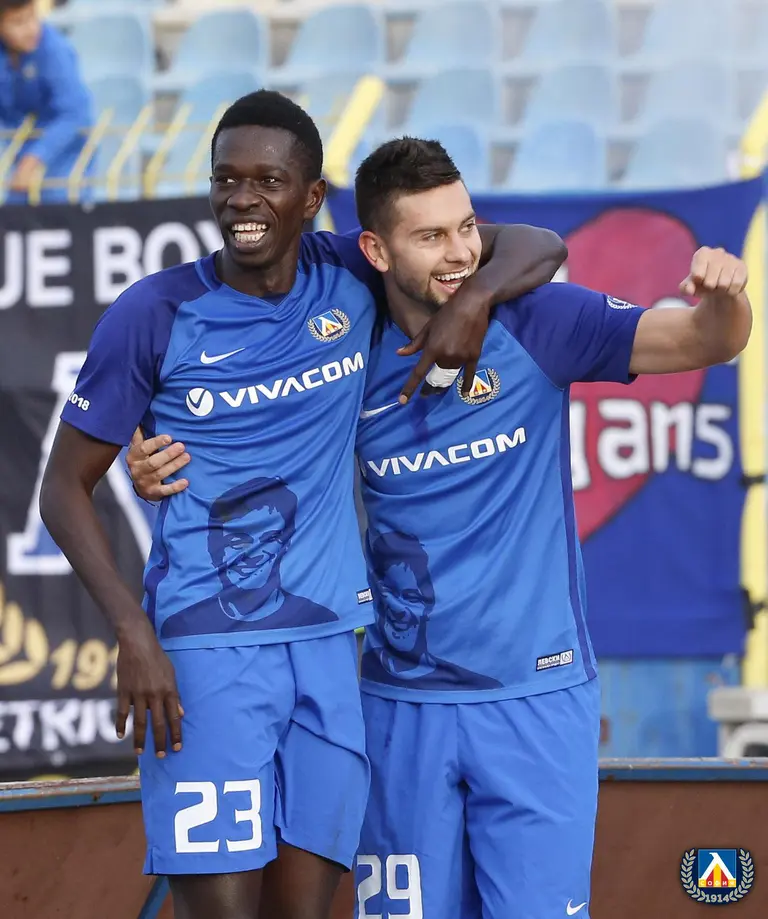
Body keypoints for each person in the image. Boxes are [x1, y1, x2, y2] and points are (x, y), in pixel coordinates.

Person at [130, 138, 752, 919]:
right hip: (398, 708)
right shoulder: (342, 348)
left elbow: (707, 340)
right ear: (376, 251)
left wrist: (725, 298)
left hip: (536, 698)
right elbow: (240, 433)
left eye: (466, 227)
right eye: (431, 236)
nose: (459, 250)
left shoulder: (541, 320)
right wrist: (148, 459)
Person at [39, 89, 566, 919]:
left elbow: (539, 245)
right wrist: (133, 633)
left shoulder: (350, 272)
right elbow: (61, 488)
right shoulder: (155, 312)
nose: (242, 200)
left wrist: (472, 300)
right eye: (226, 179)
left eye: (268, 181)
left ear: (312, 197)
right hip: (206, 655)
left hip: (327, 648)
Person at [0, 0, 93, 204]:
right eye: (18, 22)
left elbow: (75, 115)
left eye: (33, 16)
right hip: (20, 154)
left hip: (64, 156)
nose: (31, 29)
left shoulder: (55, 50)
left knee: (58, 213)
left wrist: (34, 158)